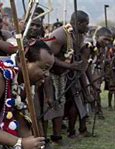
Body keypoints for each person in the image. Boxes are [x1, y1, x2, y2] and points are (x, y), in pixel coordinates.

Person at [44, 10, 90, 142]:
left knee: (62, 103)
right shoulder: (60, 35)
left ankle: (57, 136)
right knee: (51, 104)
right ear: (79, 23)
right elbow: (48, 56)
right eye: (86, 24)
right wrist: (70, 66)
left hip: (63, 74)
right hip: (49, 75)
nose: (87, 27)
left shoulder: (78, 35)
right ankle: (47, 137)